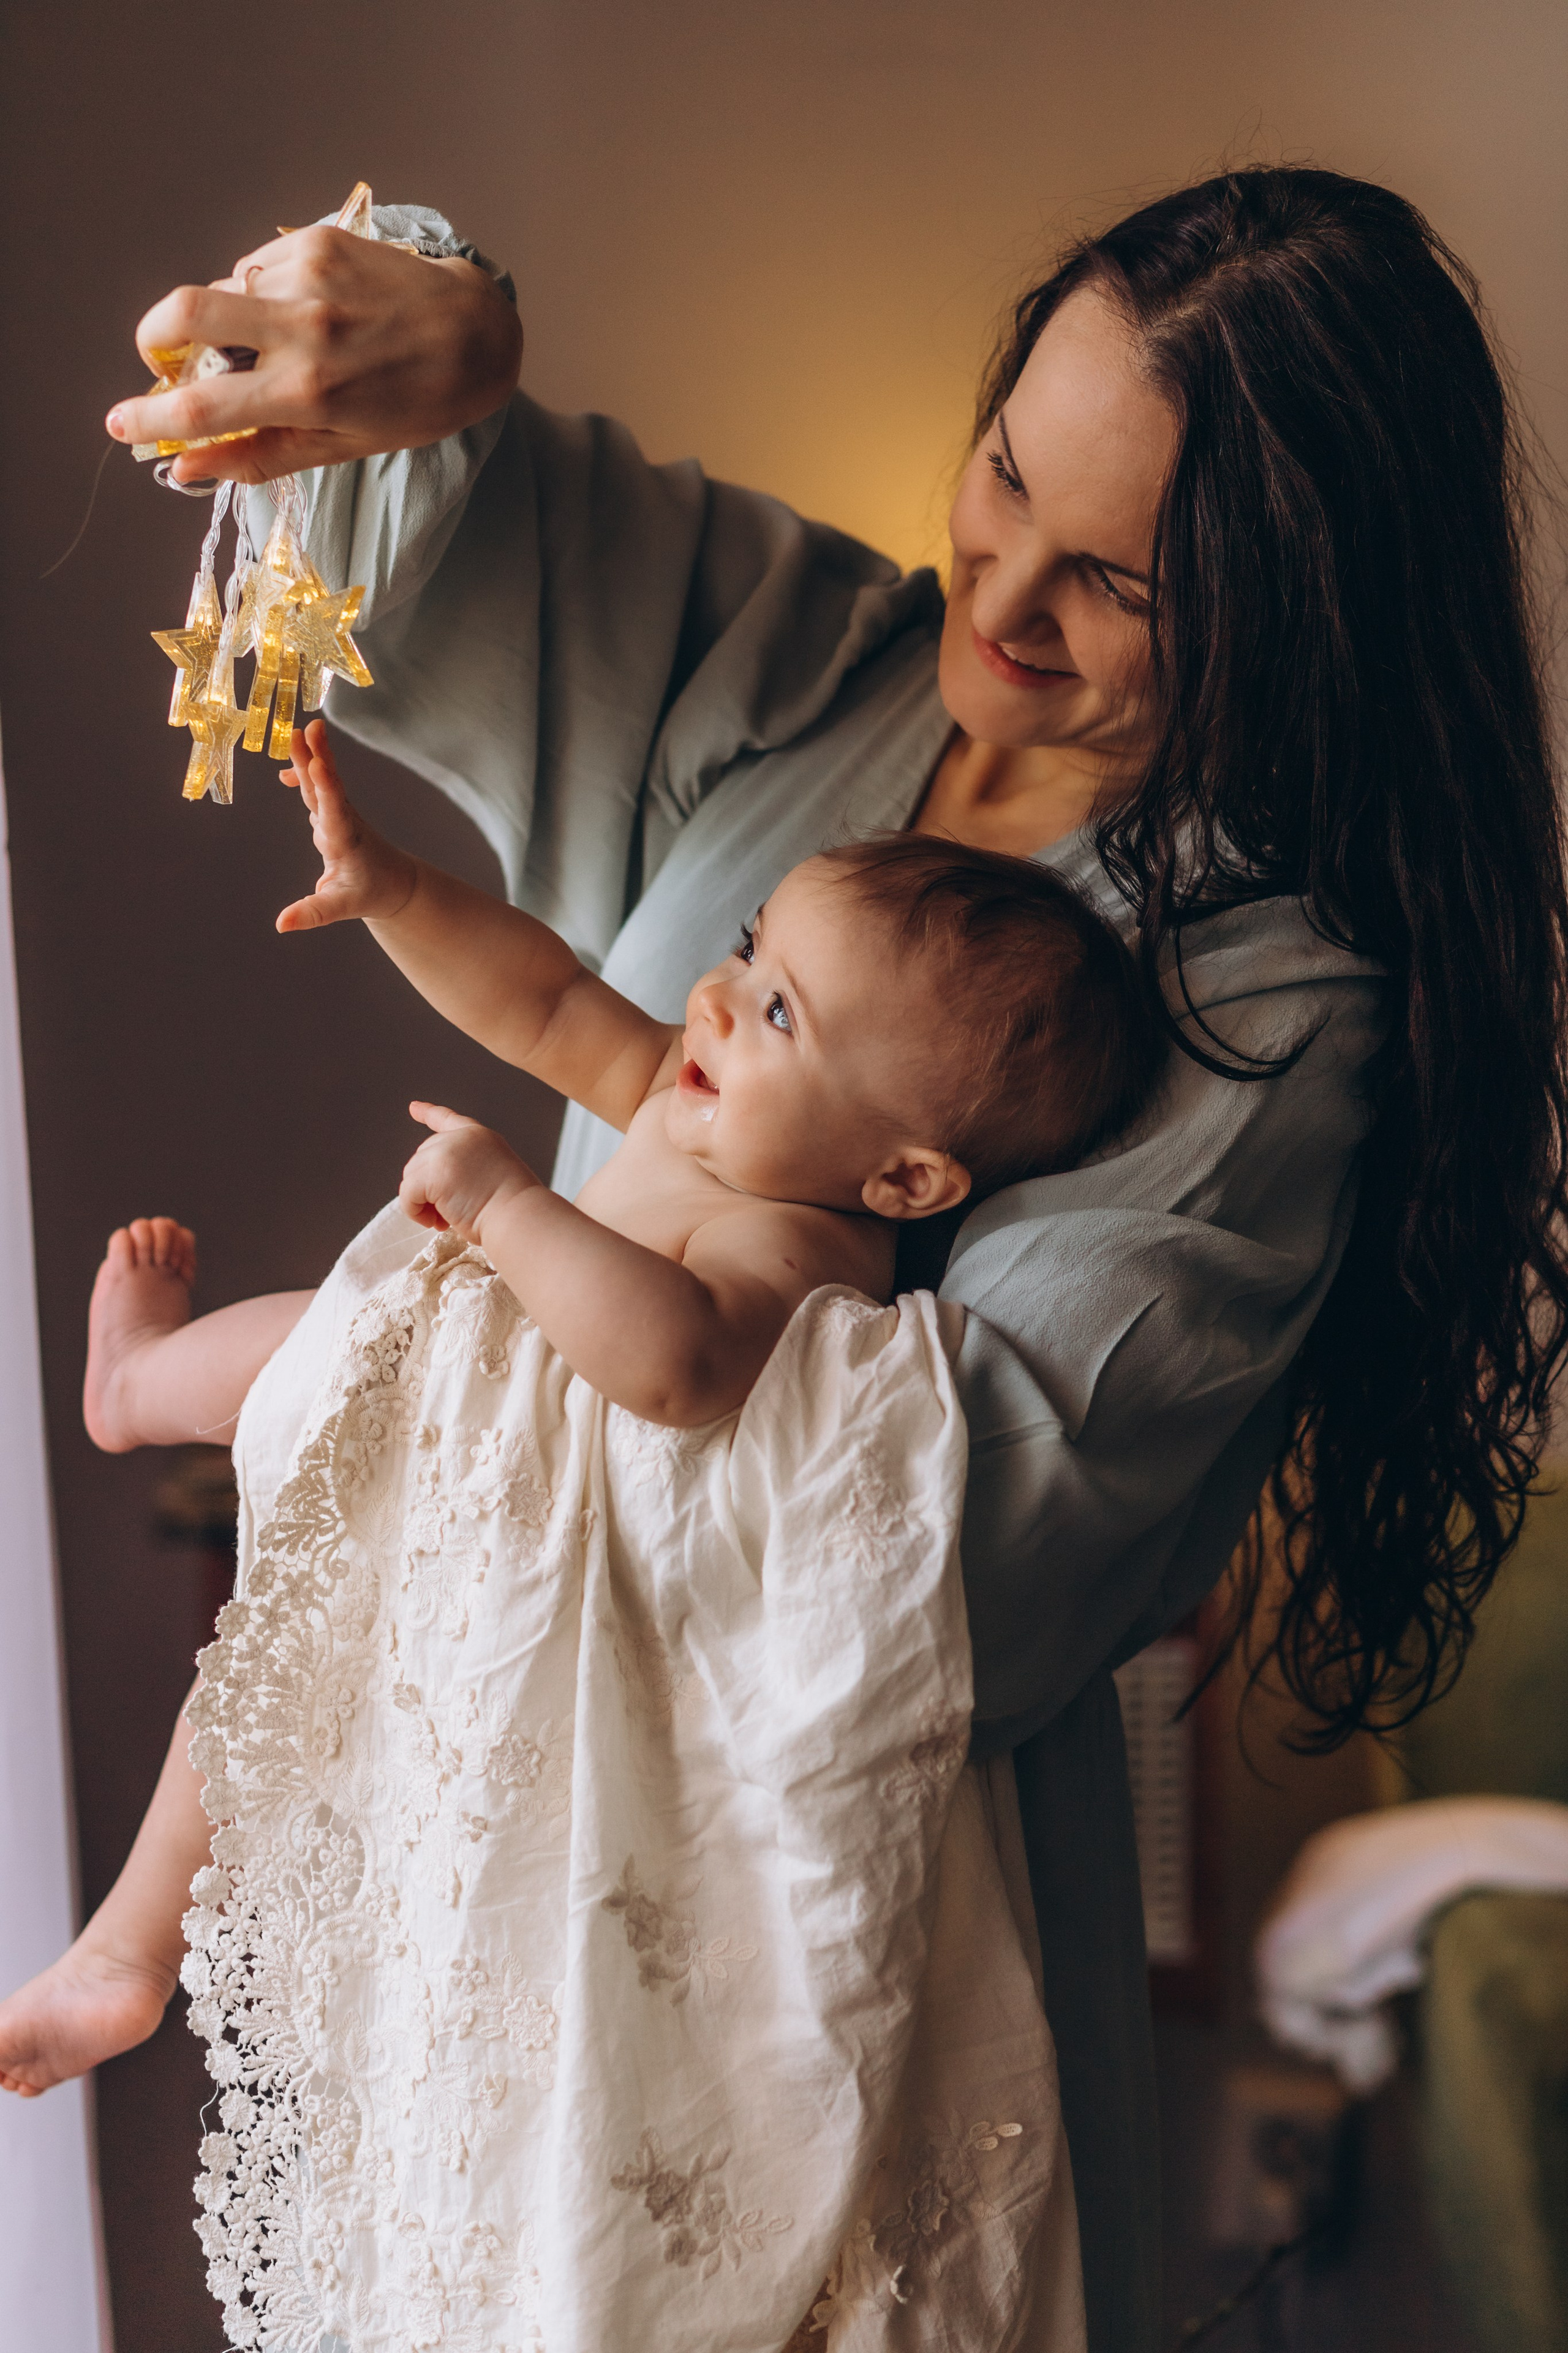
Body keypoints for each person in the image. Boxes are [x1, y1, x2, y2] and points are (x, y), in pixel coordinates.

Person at [62, 167, 1568, 2351]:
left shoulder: (1268, 1003)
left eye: (1115, 583)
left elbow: (977, 1563)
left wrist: (461, 1350)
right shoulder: (809, 664)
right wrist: (444, 329)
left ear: (1291, 624)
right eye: (1003, 476)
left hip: (831, 1950)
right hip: (495, 1823)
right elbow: (393, 537)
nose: (1005, 595)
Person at [9, 725, 1158, 2347]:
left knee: (273, 1632)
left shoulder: (806, 1248)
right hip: (430, 1396)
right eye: (750, 949)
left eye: (776, 1014)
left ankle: (128, 1948)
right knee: (269, 1624)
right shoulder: (702, 1112)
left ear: (902, 1167)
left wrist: (508, 1211)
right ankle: (136, 1396)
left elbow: (670, 1360)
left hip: (479, 1425)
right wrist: (397, 886)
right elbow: (543, 1001)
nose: (712, 1003)